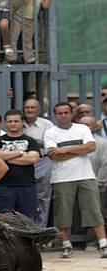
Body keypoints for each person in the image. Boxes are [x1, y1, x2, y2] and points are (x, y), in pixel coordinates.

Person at [44, 103, 107, 258]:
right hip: (62, 177)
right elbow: (53, 155)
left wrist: (64, 149)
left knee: (94, 210)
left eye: (66, 112)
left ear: (72, 114)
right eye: (59, 113)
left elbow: (91, 147)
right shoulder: (51, 132)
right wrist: (79, 149)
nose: (63, 115)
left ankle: (103, 244)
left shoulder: (82, 129)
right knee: (63, 213)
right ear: (55, 115)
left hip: (86, 175)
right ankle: (66, 245)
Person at [0, 110, 40, 219]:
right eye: (10, 121)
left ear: (22, 122)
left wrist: (2, 156)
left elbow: (32, 159)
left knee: (27, 221)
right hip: (4, 186)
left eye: (16, 121)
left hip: (26, 186)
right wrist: (20, 153)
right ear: (5, 123)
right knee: (4, 221)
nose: (13, 124)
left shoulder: (31, 141)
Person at [23, 98, 54, 227]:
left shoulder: (47, 125)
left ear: (39, 110)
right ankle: (27, 229)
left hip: (43, 162)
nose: (30, 110)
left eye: (33, 107)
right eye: (27, 108)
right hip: (23, 163)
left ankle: (41, 230)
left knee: (42, 197)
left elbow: (51, 143)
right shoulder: (19, 122)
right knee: (25, 197)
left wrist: (30, 141)